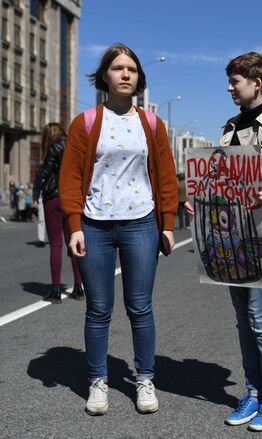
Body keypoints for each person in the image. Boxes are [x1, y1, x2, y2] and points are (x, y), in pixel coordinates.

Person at [186, 52, 262, 431]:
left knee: (261, 320)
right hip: (230, 239)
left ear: (257, 83)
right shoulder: (229, 128)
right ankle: (252, 392)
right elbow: (218, 180)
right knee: (243, 321)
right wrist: (199, 202)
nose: (228, 87)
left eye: (234, 80)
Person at [59, 44, 178, 416]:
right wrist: (74, 225)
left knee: (140, 307)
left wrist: (168, 223)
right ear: (105, 76)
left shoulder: (152, 124)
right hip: (94, 225)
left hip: (141, 223)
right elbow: (72, 177)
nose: (126, 74)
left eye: (132, 69)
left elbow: (167, 176)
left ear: (139, 78)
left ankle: (144, 378)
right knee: (98, 309)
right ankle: (98, 382)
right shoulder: (87, 122)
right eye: (118, 68)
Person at [35, 123, 84, 302]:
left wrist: (37, 191)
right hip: (71, 198)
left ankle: (56, 291)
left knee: (55, 245)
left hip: (54, 198)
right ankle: (78, 288)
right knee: (75, 243)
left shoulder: (53, 148)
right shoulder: (73, 146)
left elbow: (45, 172)